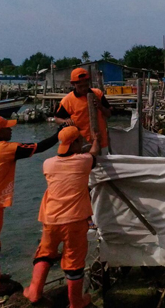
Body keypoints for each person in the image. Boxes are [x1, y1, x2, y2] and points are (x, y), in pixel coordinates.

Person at [0, 116, 59, 296]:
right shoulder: (7, 149)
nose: (11, 130)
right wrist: (60, 134)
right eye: (7, 128)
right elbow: (39, 147)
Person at [24, 126, 99, 307]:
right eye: (80, 140)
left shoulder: (48, 163)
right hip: (75, 219)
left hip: (50, 218)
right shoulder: (84, 161)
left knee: (45, 253)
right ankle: (76, 302)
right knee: (74, 260)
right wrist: (96, 139)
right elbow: (95, 153)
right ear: (75, 143)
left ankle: (34, 291)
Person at [55, 67, 111, 153]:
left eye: (86, 85)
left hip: (101, 142)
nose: (84, 88)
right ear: (73, 84)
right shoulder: (67, 100)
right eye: (80, 86)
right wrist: (65, 121)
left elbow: (109, 114)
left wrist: (100, 106)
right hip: (82, 144)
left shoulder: (98, 94)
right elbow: (57, 118)